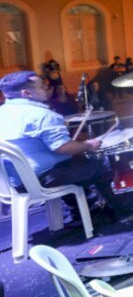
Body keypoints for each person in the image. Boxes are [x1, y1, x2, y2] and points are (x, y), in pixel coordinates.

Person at [0, 71, 117, 220]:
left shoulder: (2, 113)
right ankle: (123, 208)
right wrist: (88, 145)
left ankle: (83, 209)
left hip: (13, 183)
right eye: (41, 86)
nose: (48, 89)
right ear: (26, 93)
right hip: (43, 180)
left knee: (73, 164)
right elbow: (62, 147)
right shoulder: (40, 115)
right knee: (102, 163)